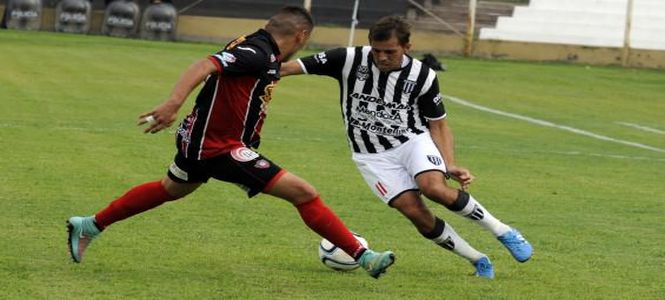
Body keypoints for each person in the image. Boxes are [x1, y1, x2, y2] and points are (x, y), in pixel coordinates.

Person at [66, 6, 395, 279]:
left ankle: (90, 225)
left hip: (201, 139)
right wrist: (172, 103)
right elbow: (204, 64)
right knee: (304, 193)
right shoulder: (255, 53)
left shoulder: (258, 46)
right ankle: (364, 257)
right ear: (301, 36)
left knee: (171, 189)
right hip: (220, 146)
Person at [280, 16, 532, 279]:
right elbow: (287, 68)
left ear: (407, 47)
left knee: (434, 188)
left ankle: (503, 231)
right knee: (415, 212)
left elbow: (439, 125)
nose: (382, 57)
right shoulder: (347, 58)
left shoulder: (423, 75)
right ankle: (479, 260)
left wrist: (449, 163)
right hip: (370, 156)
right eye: (377, 51)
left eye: (390, 52)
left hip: (412, 142)